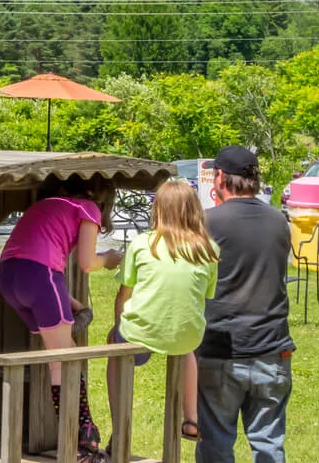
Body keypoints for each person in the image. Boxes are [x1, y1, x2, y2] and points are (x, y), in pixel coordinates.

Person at [0, 178, 121, 459]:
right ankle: (81, 435)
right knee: (63, 361)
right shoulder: (88, 207)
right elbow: (88, 263)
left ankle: (81, 432)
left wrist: (72, 304)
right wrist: (110, 258)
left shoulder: (47, 205)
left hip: (9, 277)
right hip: (41, 277)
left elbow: (34, 258)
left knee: (62, 352)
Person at [195, 146, 294, 463]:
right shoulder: (280, 221)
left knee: (216, 444)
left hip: (221, 349)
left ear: (220, 177)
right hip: (273, 350)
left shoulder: (206, 222)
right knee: (269, 444)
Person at [105, 179, 219, 447]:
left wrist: (117, 325)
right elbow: (204, 296)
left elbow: (124, 294)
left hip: (140, 332)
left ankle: (119, 425)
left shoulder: (143, 243)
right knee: (187, 350)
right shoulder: (209, 249)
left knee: (115, 348)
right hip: (187, 334)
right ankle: (190, 417)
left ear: (157, 209)